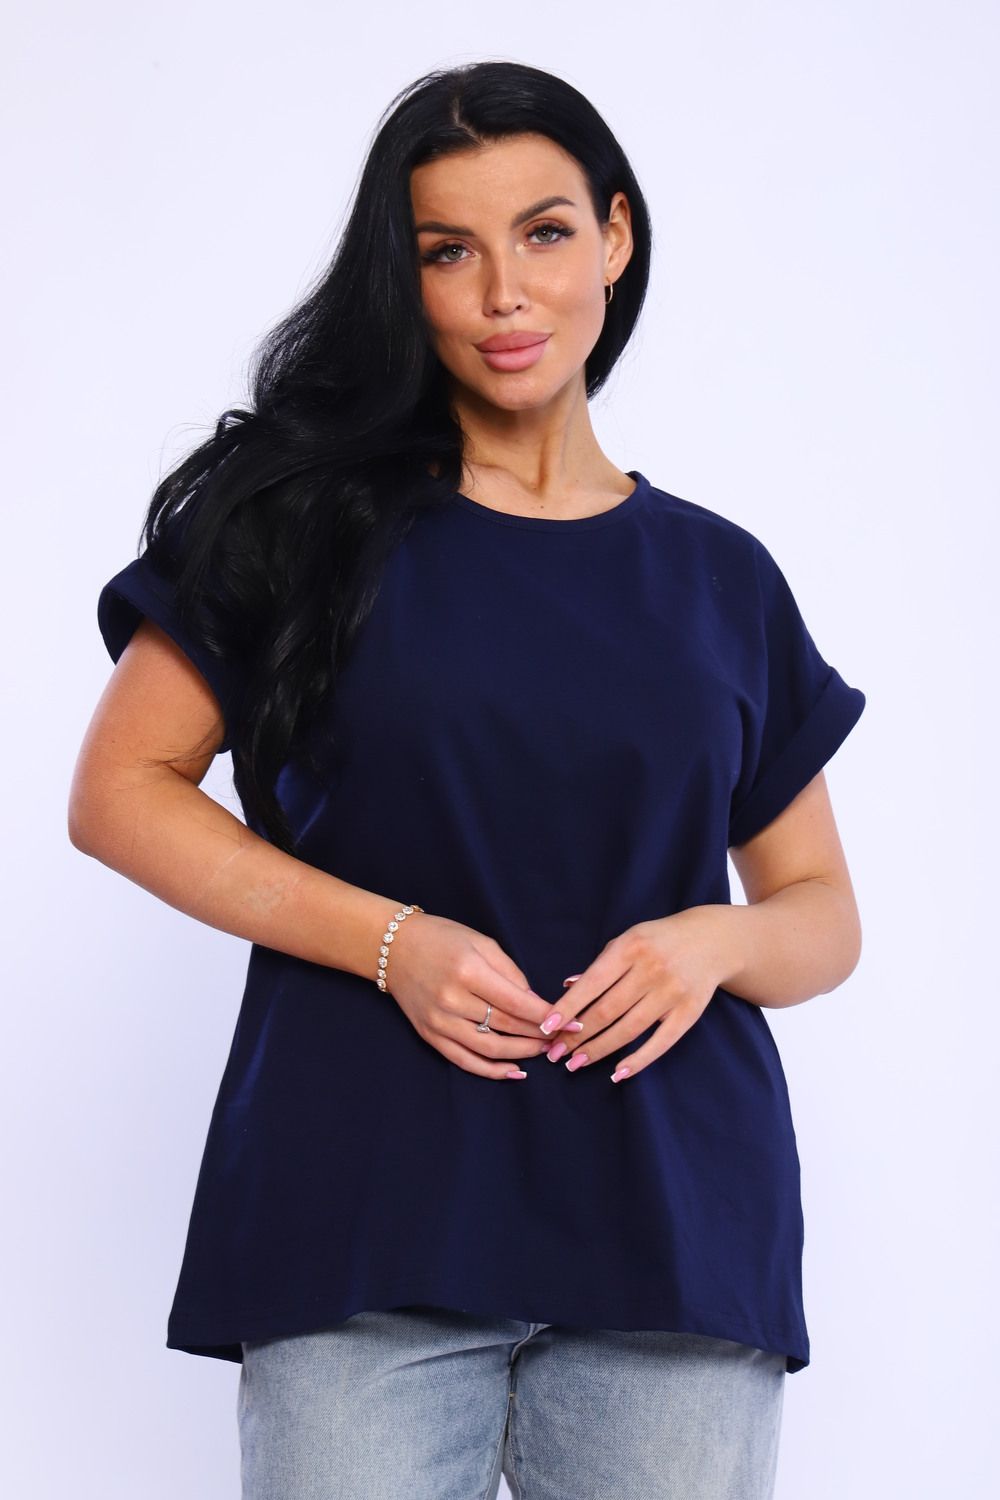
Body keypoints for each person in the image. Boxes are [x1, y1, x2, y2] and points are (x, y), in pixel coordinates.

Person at [68, 59, 867, 1500]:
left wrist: (714, 941)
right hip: (362, 1217)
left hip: (672, 1229)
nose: (505, 293)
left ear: (614, 236)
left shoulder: (722, 579)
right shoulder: (302, 523)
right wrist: (395, 944)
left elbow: (820, 914)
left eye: (544, 232)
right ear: (405, 277)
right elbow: (121, 791)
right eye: (449, 250)